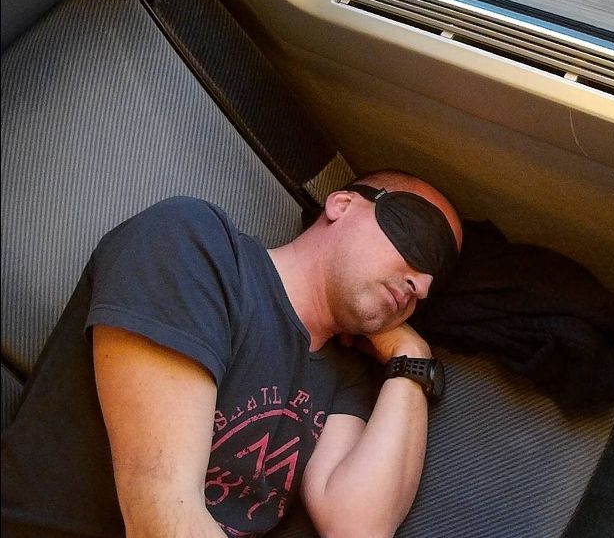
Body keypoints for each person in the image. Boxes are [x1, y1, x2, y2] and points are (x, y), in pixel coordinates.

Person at [1, 169, 462, 538]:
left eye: (431, 288)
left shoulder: (349, 378)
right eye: (416, 241)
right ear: (341, 204)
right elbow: (161, 515)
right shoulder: (195, 244)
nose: (420, 286)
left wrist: (410, 356)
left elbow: (357, 526)